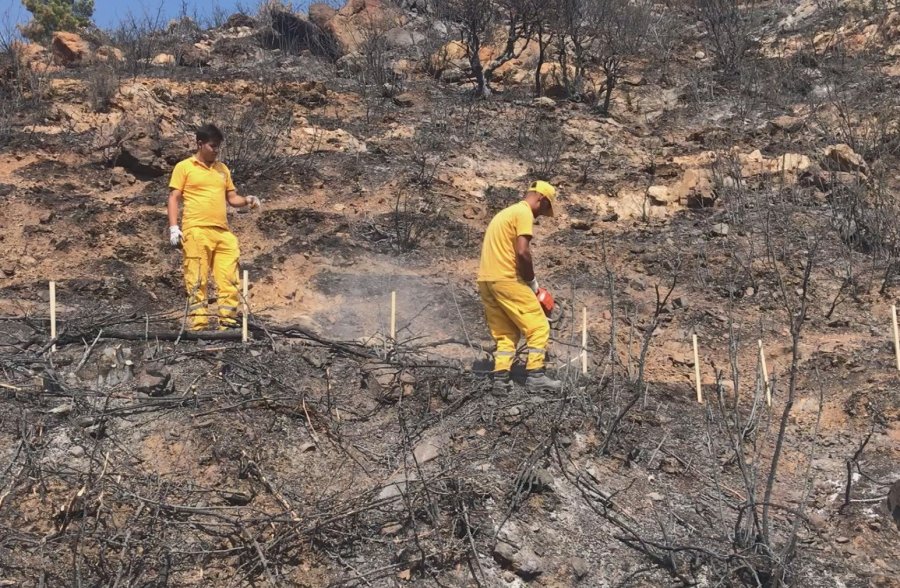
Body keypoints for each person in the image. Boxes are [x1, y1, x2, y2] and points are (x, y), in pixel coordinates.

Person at [167, 124, 260, 331]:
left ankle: (227, 323)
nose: (216, 150)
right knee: (197, 278)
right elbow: (174, 197)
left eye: (218, 147)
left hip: (222, 232)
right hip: (196, 230)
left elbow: (232, 198)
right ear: (200, 144)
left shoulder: (222, 169)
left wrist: (247, 200)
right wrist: (174, 228)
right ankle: (199, 325)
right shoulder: (184, 167)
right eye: (212, 146)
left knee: (229, 279)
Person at [477, 180, 561, 394]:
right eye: (543, 210)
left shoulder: (503, 215)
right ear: (540, 199)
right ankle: (536, 376)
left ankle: (501, 379)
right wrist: (533, 284)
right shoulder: (523, 212)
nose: (540, 215)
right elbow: (522, 252)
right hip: (507, 279)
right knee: (539, 326)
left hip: (487, 281)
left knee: (505, 334)